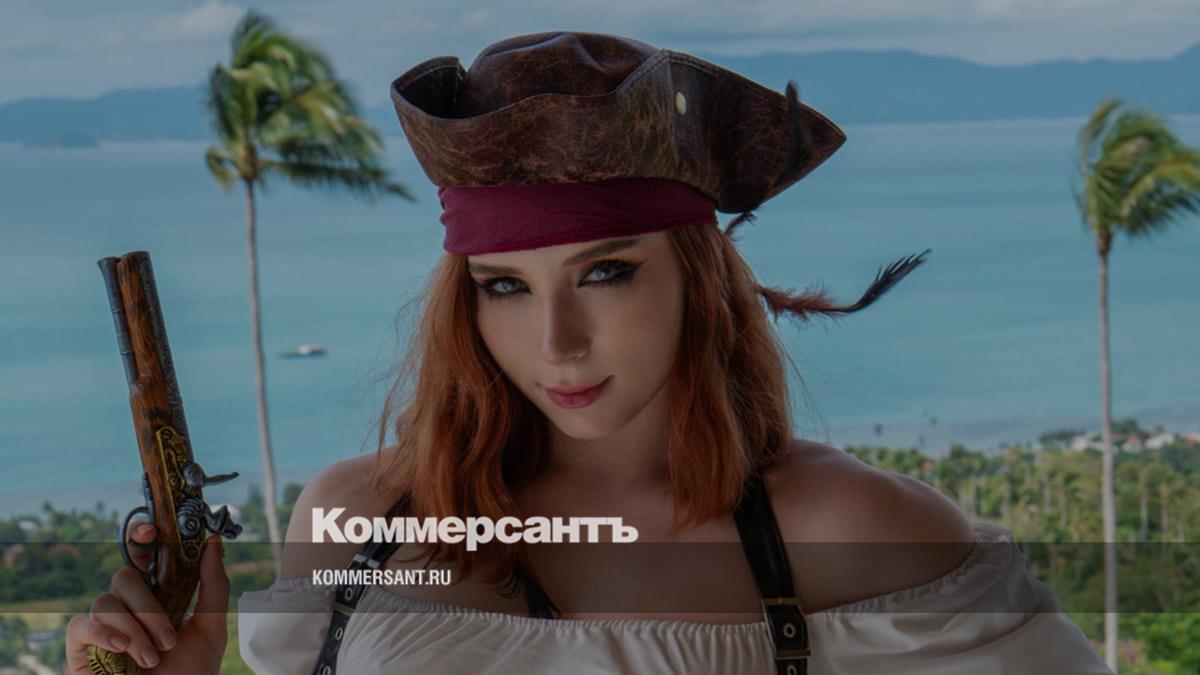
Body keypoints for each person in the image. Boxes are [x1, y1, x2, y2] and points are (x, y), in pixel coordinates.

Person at [67, 31, 1114, 675]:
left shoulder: (848, 534)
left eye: (606, 272)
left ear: (700, 279)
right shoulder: (358, 523)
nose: (555, 342)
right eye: (505, 286)